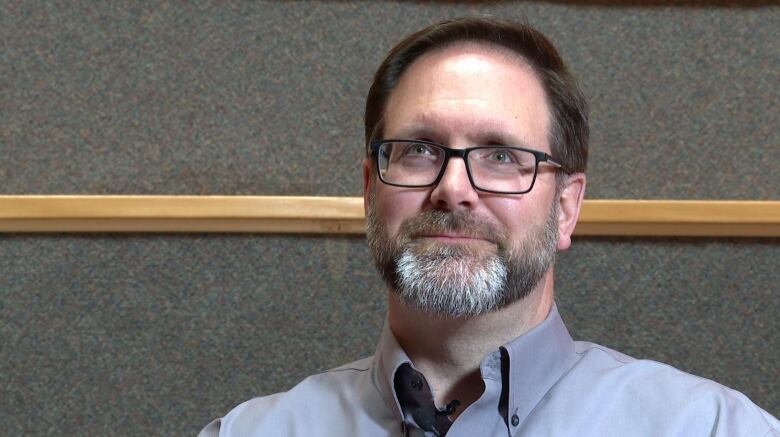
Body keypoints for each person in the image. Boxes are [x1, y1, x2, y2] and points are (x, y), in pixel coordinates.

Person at [200, 17, 779, 437]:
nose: (453, 188)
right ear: (371, 189)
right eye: (419, 150)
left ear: (567, 208)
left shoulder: (712, 429)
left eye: (502, 156)